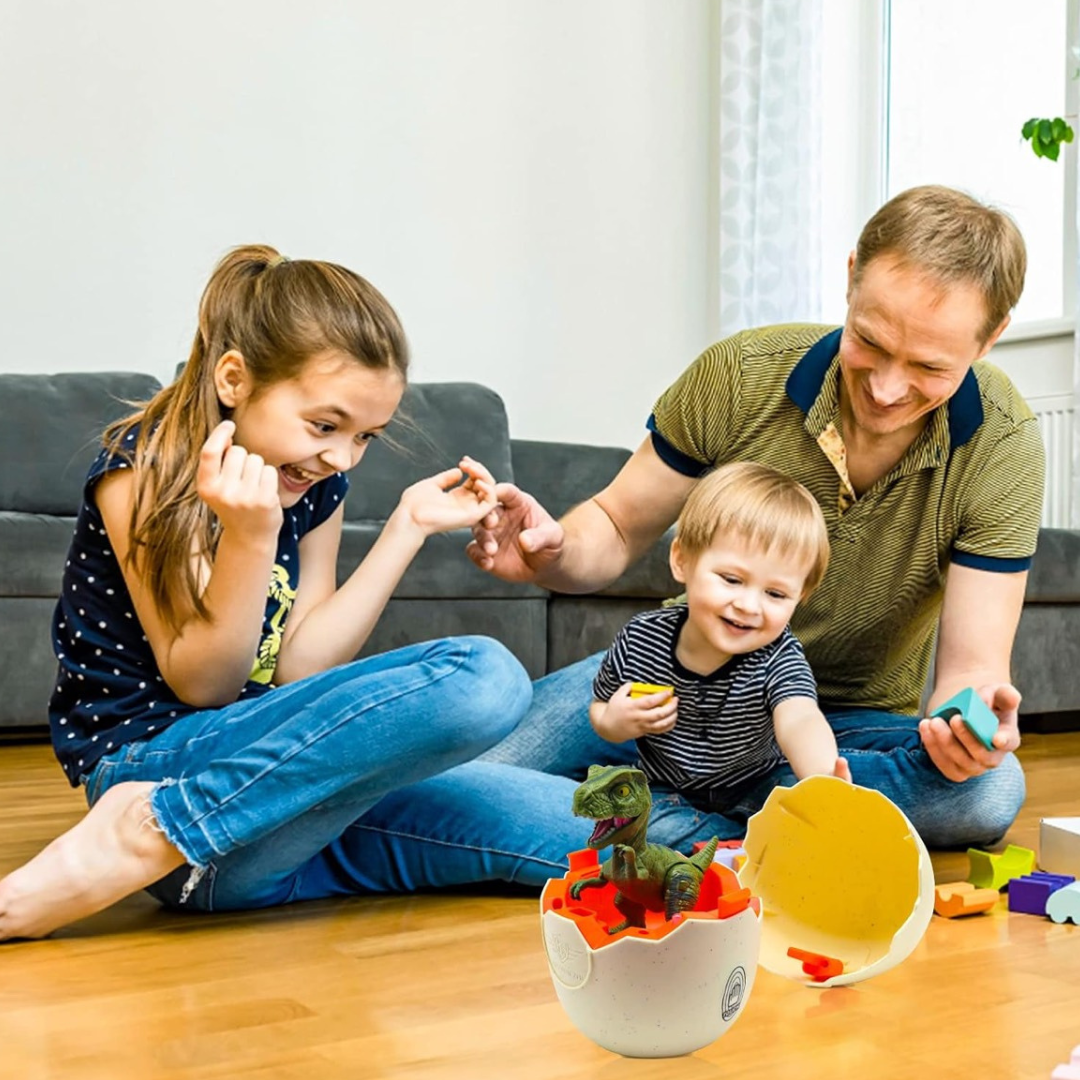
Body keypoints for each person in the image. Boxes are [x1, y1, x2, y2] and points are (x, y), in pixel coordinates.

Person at [469, 184, 1046, 850]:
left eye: (928, 367)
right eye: (870, 340)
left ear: (991, 337)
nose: (887, 388)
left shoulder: (1003, 443)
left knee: (988, 792)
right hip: (676, 684)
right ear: (851, 276)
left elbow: (971, 670)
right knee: (459, 778)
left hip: (843, 724)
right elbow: (620, 525)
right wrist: (553, 549)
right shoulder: (741, 374)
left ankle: (671, 814)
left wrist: (966, 730)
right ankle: (739, 824)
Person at [0, 244, 543, 940]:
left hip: (267, 822)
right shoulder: (143, 468)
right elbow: (205, 684)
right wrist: (252, 537)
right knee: (486, 678)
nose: (340, 457)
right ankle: (151, 832)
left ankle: (253, 825)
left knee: (610, 831)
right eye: (325, 426)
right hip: (159, 769)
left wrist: (407, 527)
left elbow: (299, 669)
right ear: (235, 379)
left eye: (365, 437)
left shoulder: (319, 487)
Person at [590, 461, 851, 837]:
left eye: (775, 594)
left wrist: (822, 777)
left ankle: (728, 840)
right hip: (666, 790)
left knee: (793, 807)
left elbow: (800, 717)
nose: (749, 605)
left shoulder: (778, 655)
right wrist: (615, 723)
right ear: (682, 561)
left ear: (800, 597)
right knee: (636, 817)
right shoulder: (640, 639)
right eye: (731, 579)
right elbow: (600, 709)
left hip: (754, 785)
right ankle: (733, 841)